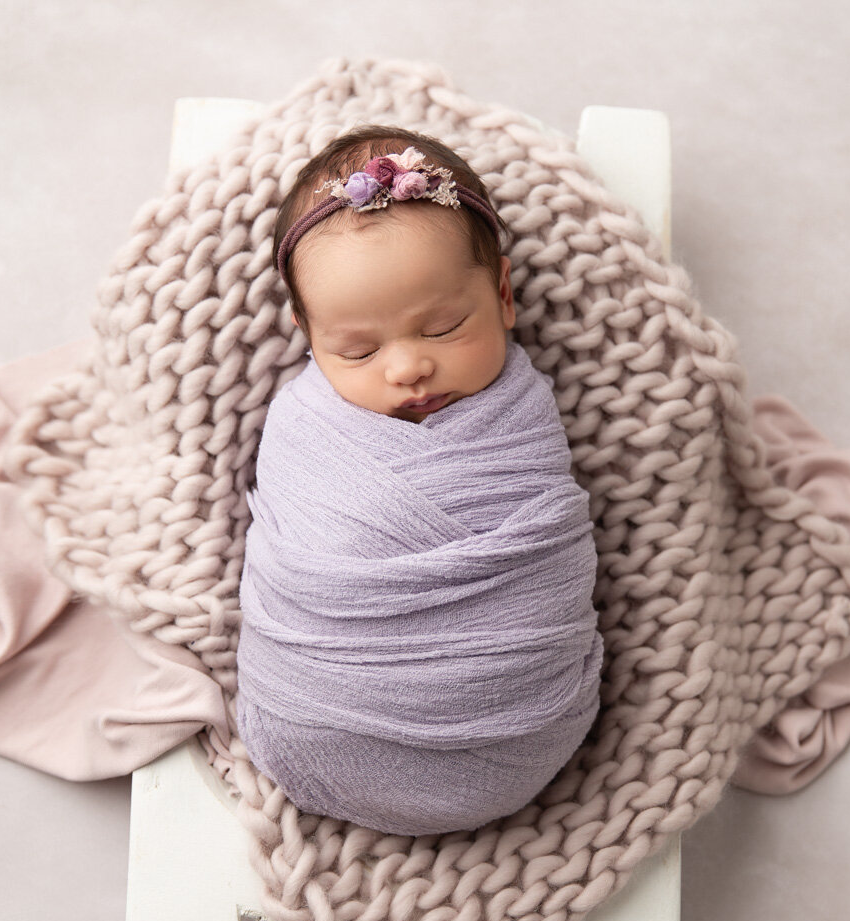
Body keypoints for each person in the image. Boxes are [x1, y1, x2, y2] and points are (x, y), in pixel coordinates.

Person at [232, 125, 606, 836]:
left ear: (502, 295)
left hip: (518, 738)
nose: (405, 368)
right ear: (308, 335)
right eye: (357, 348)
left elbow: (549, 556)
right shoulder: (303, 423)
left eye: (443, 327)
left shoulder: (522, 414)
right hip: (310, 725)